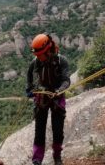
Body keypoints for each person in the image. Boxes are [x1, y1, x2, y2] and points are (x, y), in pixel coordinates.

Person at [26, 33, 70, 165]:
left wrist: (59, 90)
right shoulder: (36, 61)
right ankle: (37, 160)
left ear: (48, 50)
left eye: (40, 55)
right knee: (39, 129)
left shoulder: (62, 61)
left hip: (57, 96)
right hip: (42, 96)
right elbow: (29, 74)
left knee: (58, 129)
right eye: (37, 55)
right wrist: (29, 88)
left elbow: (66, 80)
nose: (38, 58)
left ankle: (57, 156)